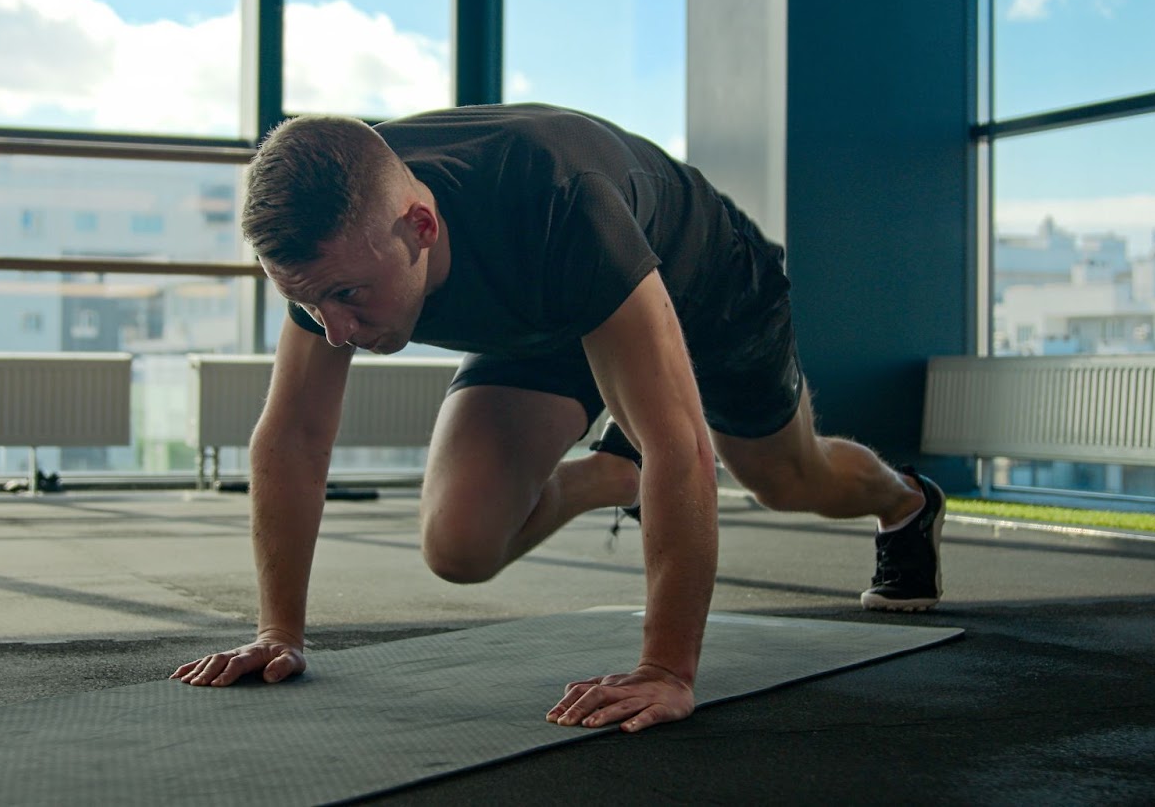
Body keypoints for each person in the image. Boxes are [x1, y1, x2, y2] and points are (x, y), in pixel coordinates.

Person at [170, 103, 945, 734]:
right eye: (307, 302)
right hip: (542, 319)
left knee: (784, 478)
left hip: (703, 283)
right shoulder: (333, 233)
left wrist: (666, 671)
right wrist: (281, 634)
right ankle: (612, 473)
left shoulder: (558, 202)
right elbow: (295, 437)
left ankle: (905, 503)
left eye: (346, 297)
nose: (335, 330)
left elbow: (681, 446)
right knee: (462, 545)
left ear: (421, 228)